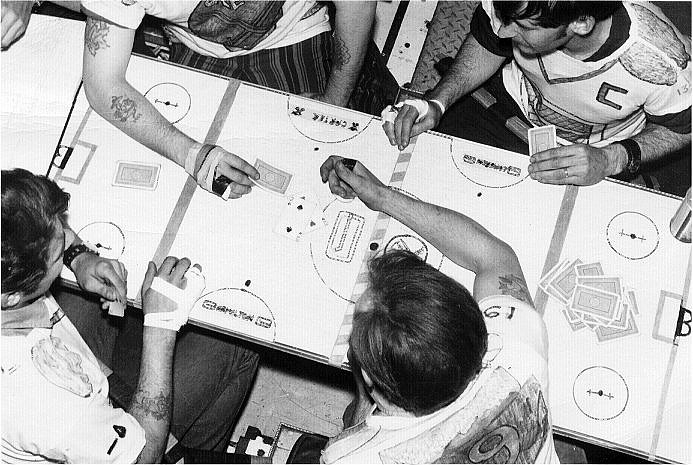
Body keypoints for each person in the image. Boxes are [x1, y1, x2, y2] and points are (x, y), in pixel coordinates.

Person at [1, 169, 258, 463]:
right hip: (111, 440)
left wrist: (79, 257)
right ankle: (185, 455)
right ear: (12, 297)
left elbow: (39, 228)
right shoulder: (44, 404)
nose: (67, 235)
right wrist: (162, 325)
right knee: (235, 344)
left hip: (70, 373)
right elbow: (143, 459)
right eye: (59, 253)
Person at [317, 156, 558, 463]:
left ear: (369, 374)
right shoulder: (519, 358)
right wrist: (382, 197)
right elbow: (493, 255)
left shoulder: (350, 458)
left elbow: (357, 430)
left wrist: (364, 385)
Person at [79, 0, 376, 200]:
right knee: (191, 194)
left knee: (310, 183)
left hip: (295, 32)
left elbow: (358, 4)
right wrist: (192, 155)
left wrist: (331, 105)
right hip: (195, 47)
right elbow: (103, 85)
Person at [383, 1, 691, 187]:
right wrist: (438, 101)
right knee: (416, 168)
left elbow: (682, 129)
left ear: (580, 23)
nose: (504, 32)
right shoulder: (519, 5)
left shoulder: (661, 61)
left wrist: (612, 159)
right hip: (504, 106)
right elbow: (489, 42)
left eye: (522, 27)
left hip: (587, 155)